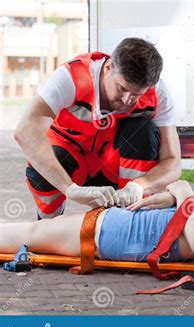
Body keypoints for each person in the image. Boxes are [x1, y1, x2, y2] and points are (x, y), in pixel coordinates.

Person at [14, 38, 182, 219]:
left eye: (136, 94)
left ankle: (127, 217)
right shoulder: (71, 77)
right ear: (108, 67)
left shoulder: (158, 93)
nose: (127, 100)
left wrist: (139, 186)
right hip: (70, 164)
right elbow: (25, 130)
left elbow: (173, 162)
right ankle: (48, 223)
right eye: (122, 88)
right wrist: (70, 190)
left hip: (113, 169)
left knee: (144, 131)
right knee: (40, 164)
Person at [0, 181, 194, 269]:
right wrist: (174, 196)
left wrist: (184, 192)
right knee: (36, 231)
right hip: (160, 222)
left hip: (152, 236)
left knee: (33, 233)